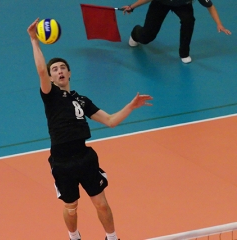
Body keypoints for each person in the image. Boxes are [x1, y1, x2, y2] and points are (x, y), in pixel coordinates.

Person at [27, 18, 153, 240]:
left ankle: (112, 238)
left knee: (102, 205)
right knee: (71, 206)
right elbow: (40, 71)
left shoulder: (82, 100)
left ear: (69, 73)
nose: (59, 72)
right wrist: (34, 41)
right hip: (62, 161)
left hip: (85, 157)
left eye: (63, 68)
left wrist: (131, 107)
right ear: (52, 77)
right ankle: (74, 237)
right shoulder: (51, 96)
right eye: (54, 70)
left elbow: (111, 120)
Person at [121, 0, 231, 63]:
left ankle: (184, 53)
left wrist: (219, 24)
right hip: (161, 2)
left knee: (188, 20)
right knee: (147, 37)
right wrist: (132, 7)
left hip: (182, 5)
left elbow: (210, 6)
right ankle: (135, 33)